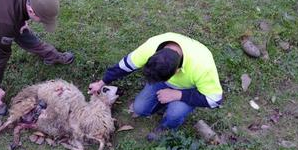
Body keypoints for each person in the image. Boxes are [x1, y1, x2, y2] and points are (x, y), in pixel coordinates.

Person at [89, 32, 222, 141]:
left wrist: (178, 95)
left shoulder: (202, 66)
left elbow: (214, 100)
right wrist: (101, 83)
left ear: (176, 72)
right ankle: (160, 105)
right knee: (139, 108)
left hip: (187, 89)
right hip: (164, 79)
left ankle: (166, 127)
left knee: (174, 114)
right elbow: (125, 66)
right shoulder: (152, 46)